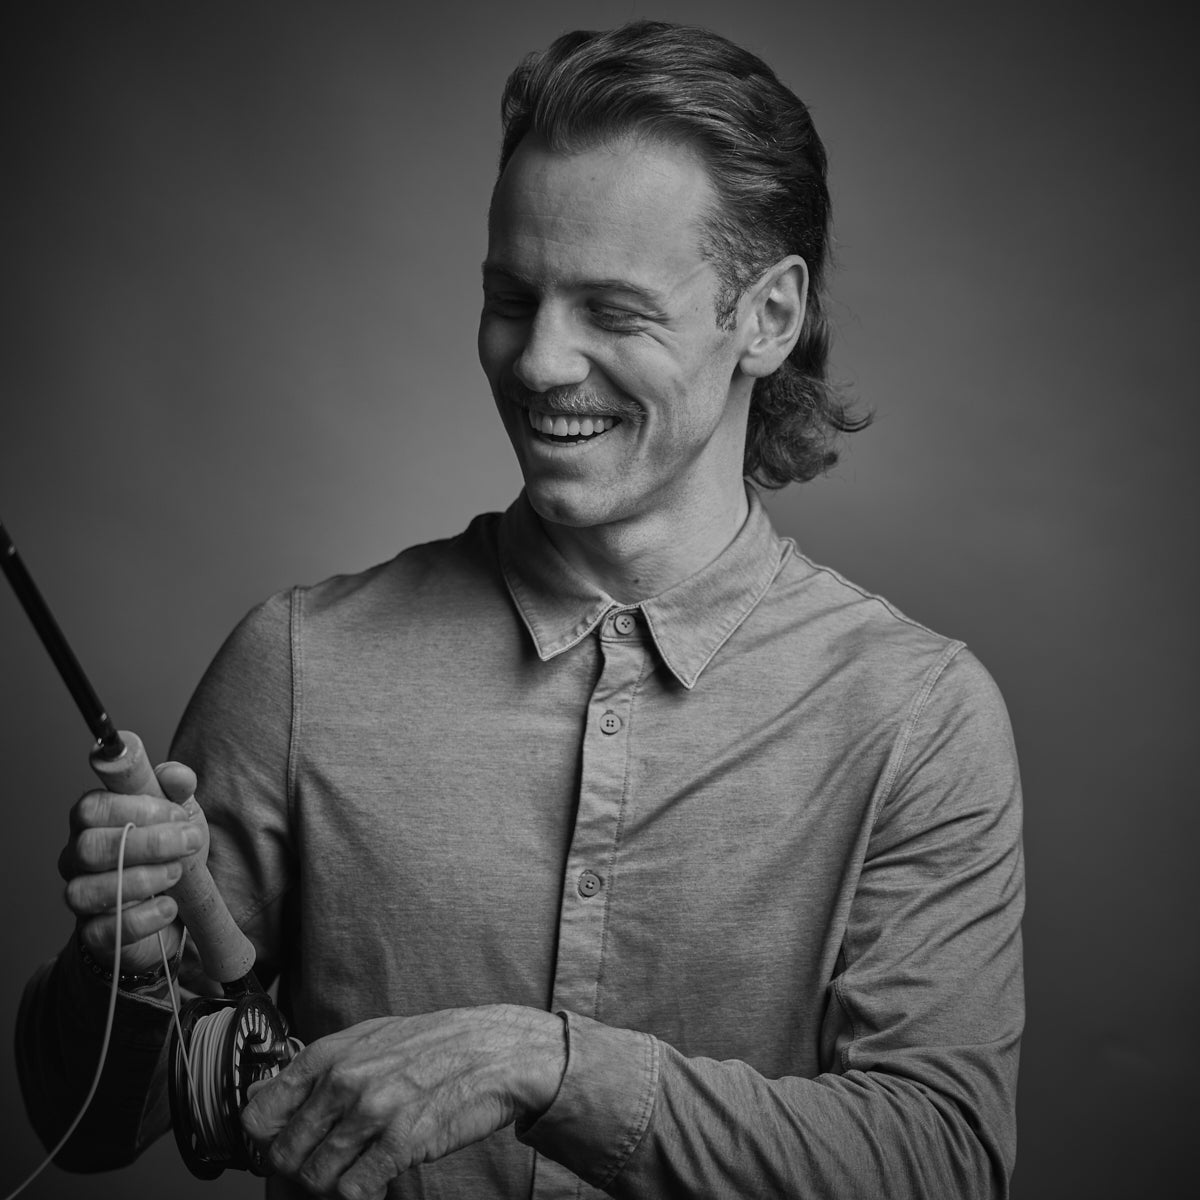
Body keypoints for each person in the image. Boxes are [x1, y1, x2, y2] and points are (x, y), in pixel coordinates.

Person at [18, 20, 1024, 1200]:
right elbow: (90, 1129)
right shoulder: (296, 662)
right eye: (513, 297)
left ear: (767, 316)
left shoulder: (918, 715)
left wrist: (545, 1066)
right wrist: (122, 968)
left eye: (613, 311)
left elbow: (943, 1160)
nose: (540, 363)